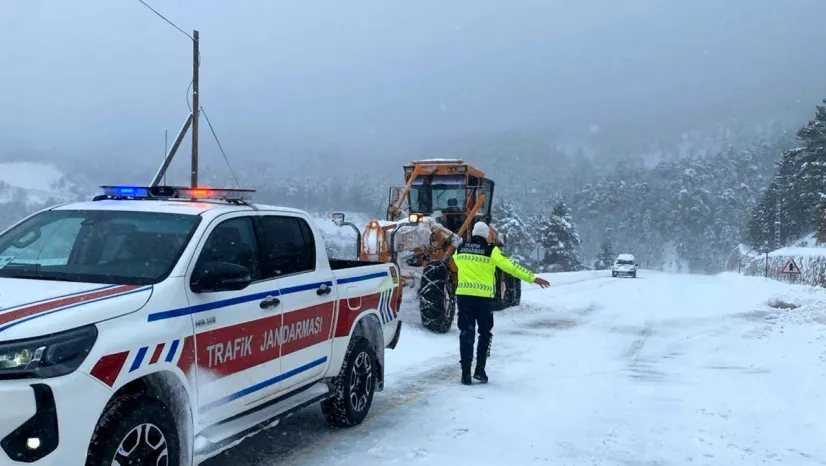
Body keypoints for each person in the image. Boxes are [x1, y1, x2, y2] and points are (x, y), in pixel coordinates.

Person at [449, 221, 550, 385]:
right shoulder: (491, 251)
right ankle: (480, 370)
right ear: (486, 235)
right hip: (483, 300)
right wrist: (532, 278)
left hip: (464, 298)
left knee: (466, 334)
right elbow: (511, 267)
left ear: (473, 233)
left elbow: (455, 263)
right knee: (485, 334)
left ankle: (465, 373)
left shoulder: (460, 249)